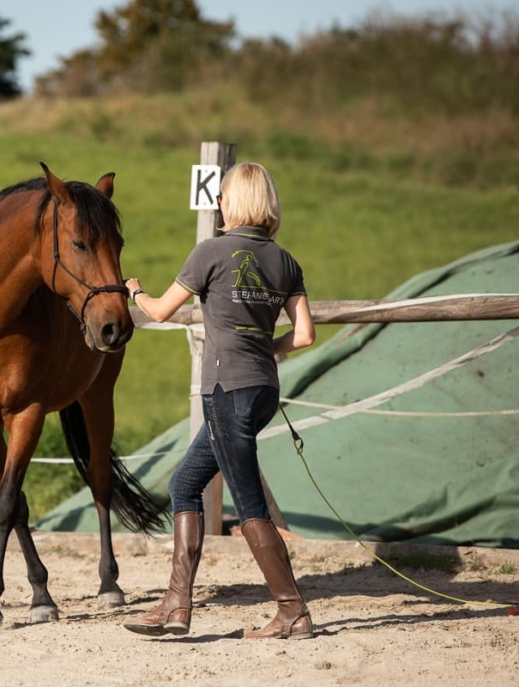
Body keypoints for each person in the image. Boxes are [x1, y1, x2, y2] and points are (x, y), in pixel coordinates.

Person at [122, 161, 316, 640]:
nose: (219, 202)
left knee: (249, 504)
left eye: (223, 195)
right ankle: (176, 605)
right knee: (185, 485)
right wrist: (267, 348)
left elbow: (164, 311)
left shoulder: (210, 251)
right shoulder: (285, 261)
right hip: (263, 389)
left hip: (225, 390)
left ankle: (292, 611)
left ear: (234, 201)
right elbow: (306, 335)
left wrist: (136, 292)